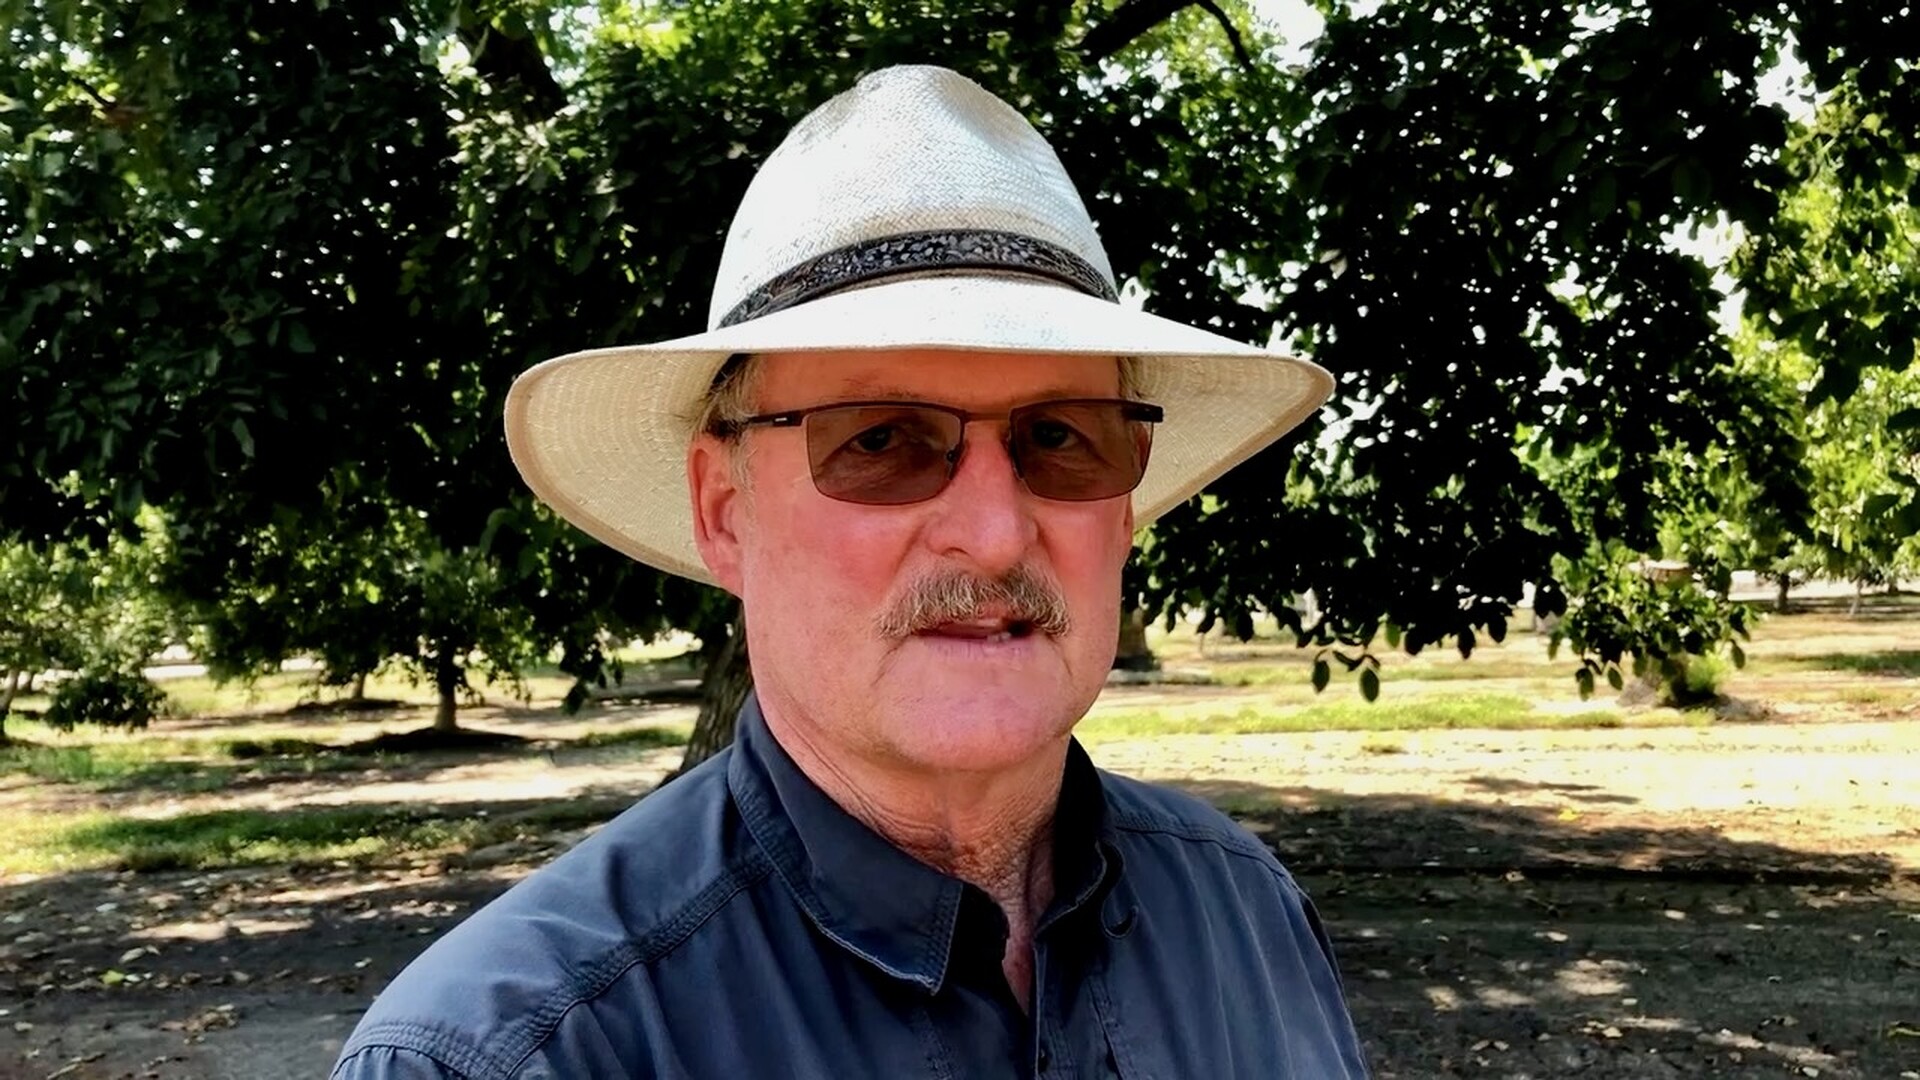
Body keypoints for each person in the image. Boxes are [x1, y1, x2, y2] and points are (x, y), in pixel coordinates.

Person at [333, 64, 1368, 1078]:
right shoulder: (518, 1053)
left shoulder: (1248, 916)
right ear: (724, 511)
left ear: (1126, 510)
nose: (995, 534)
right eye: (880, 441)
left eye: (1061, 438)